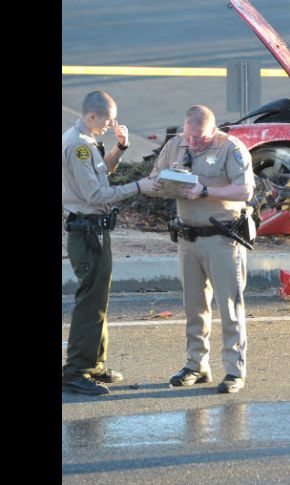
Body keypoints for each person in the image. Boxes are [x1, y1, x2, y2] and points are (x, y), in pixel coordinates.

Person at [148, 105, 255, 394]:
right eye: (190, 136)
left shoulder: (230, 148)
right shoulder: (175, 145)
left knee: (229, 308)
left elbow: (245, 190)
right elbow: (154, 177)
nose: (193, 143)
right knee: (194, 307)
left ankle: (234, 370)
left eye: (201, 138)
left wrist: (206, 191)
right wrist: (161, 184)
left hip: (221, 238)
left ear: (213, 129)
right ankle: (196, 365)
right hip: (187, 238)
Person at [62, 90, 159, 395]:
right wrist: (139, 187)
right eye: (107, 120)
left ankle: (94, 363)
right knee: (90, 300)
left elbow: (103, 173)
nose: (110, 124)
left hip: (94, 230)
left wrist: (120, 146)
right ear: (92, 116)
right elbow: (96, 195)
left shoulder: (87, 139)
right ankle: (77, 370)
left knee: (98, 299)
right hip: (86, 231)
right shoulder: (78, 146)